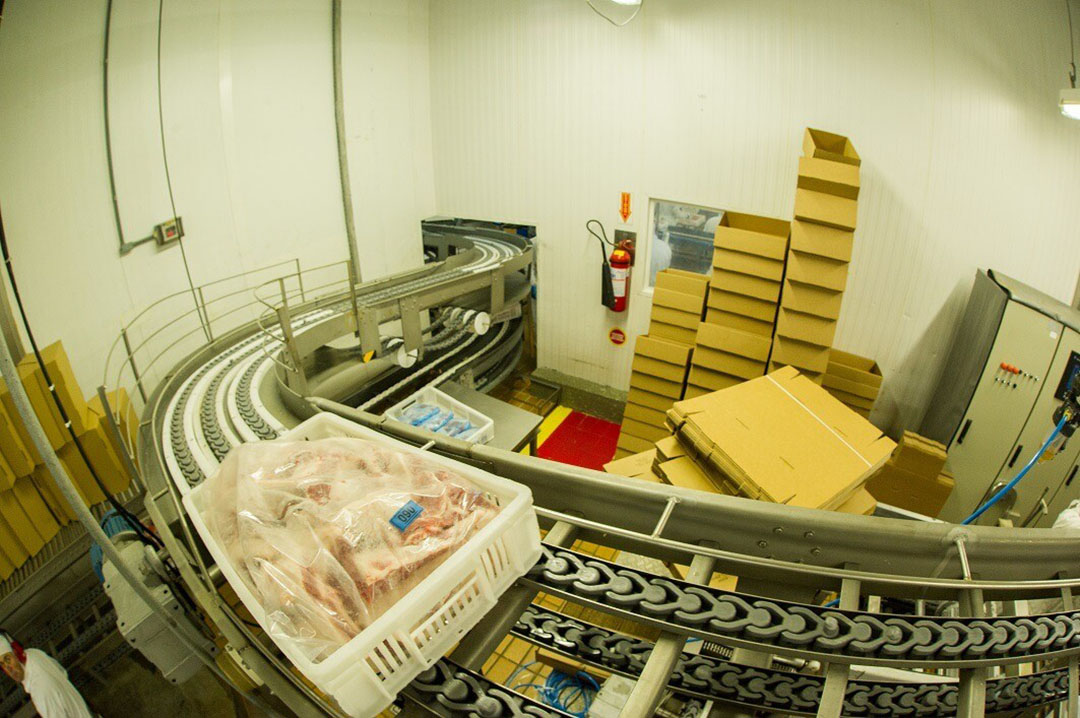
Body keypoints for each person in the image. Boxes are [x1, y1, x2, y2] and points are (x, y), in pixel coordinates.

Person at [0, 631, 92, 718]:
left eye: (8, 659)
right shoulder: (34, 654)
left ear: (16, 653)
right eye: (2, 664)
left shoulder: (40, 690)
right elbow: (62, 672)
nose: (8, 668)